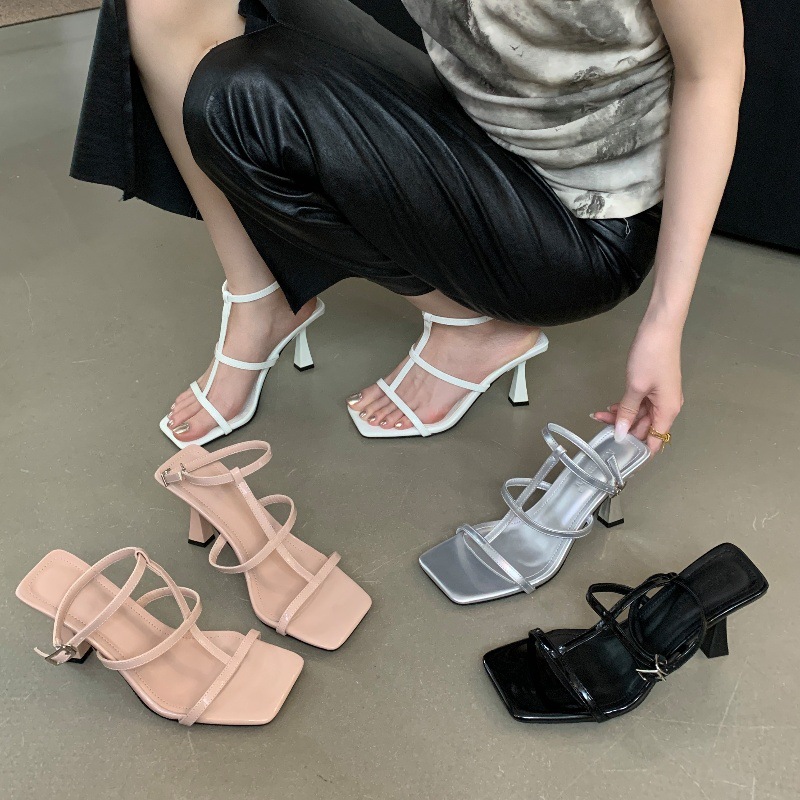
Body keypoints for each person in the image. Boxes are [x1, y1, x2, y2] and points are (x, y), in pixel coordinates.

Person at [71, 0, 745, 447]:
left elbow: (713, 73)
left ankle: (471, 327)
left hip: (580, 222)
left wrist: (666, 323)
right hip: (469, 118)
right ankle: (260, 297)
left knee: (239, 98)